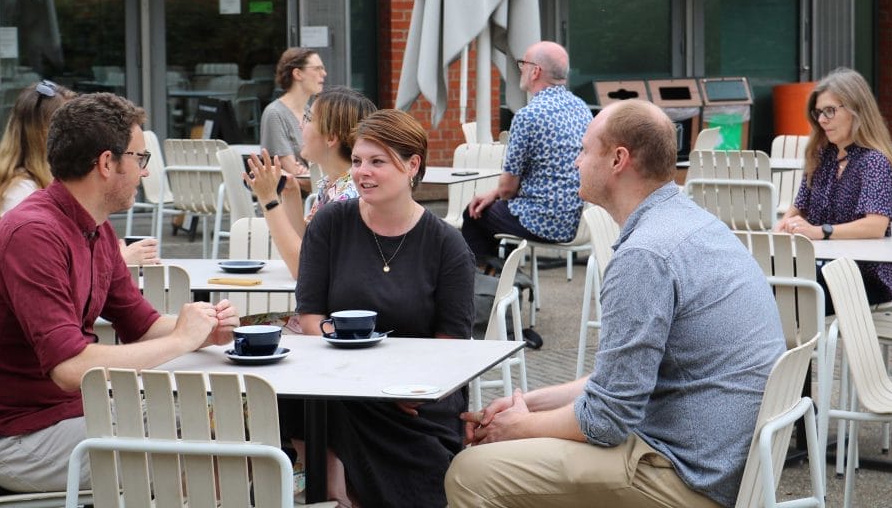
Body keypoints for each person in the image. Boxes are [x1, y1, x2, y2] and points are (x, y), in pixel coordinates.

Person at [445, 100, 785, 508]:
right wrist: (530, 404)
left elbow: (606, 420)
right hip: (722, 459)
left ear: (618, 159)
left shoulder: (645, 256)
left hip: (686, 477)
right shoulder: (692, 223)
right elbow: (621, 384)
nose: (575, 163)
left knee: (471, 472)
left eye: (585, 150)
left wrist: (519, 428)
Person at [0, 93, 239, 494]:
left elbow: (141, 323)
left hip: (58, 415)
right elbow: (69, 369)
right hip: (12, 439)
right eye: (140, 158)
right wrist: (182, 339)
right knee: (220, 458)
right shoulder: (34, 234)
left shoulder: (94, 226)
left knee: (227, 421)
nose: (145, 173)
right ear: (106, 163)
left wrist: (205, 331)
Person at [291, 109, 475, 507]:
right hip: (341, 383)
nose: (362, 172)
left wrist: (405, 388)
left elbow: (452, 343)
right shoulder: (330, 225)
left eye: (377, 162)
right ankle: (333, 495)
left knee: (423, 479)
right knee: (299, 401)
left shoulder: (447, 245)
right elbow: (310, 317)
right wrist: (360, 378)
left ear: (412, 165)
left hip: (416, 398)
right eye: (357, 161)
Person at [0, 80, 159, 267]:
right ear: (54, 135)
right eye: (77, 128)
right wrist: (121, 261)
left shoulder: (23, 187)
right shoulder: (22, 198)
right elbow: (44, 270)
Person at [774, 67, 892, 307]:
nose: (822, 120)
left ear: (856, 110)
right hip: (819, 265)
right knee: (766, 281)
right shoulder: (822, 155)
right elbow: (799, 207)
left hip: (862, 276)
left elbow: (875, 226)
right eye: (819, 113)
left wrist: (820, 231)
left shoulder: (873, 161)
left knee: (785, 296)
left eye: (830, 111)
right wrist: (782, 227)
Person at [461, 41, 592, 262]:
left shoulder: (528, 116)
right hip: (578, 221)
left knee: (474, 214)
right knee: (499, 211)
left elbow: (507, 189)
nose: (520, 68)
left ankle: (487, 287)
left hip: (543, 222)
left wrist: (496, 195)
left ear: (536, 71)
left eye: (523, 63)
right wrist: (495, 195)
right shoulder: (581, 107)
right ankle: (504, 278)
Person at [244, 85, 376, 278]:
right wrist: (291, 192)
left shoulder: (349, 197)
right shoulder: (336, 184)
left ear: (331, 137)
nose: (300, 126)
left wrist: (269, 200)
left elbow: (304, 269)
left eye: (307, 119)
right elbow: (307, 245)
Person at [260, 47, 326, 176]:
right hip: (299, 195)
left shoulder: (309, 111)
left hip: (318, 191)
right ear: (297, 74)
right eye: (317, 68)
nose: (324, 73)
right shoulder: (275, 113)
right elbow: (295, 175)